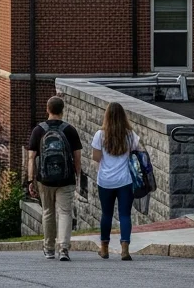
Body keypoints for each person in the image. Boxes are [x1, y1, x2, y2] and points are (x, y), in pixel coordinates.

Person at [28, 96, 82, 261]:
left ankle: (49, 248)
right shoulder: (70, 130)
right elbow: (77, 157)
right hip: (66, 179)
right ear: (62, 110)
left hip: (44, 179)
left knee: (48, 212)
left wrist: (30, 180)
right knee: (65, 212)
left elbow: (31, 158)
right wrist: (77, 175)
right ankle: (64, 249)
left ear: (47, 109)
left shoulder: (38, 130)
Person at [91, 102, 140, 261]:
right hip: (125, 180)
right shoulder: (130, 135)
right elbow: (137, 154)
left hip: (105, 181)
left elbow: (96, 158)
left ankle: (104, 248)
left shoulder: (100, 134)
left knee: (106, 214)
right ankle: (124, 249)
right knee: (125, 214)